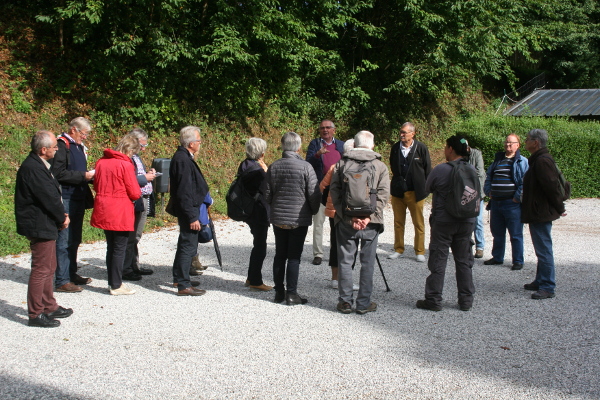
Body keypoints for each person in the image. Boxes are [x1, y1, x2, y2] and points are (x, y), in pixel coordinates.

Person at [15, 130, 74, 327]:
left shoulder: (39, 164)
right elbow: (47, 197)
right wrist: (62, 217)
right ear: (43, 150)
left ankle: (49, 305)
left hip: (45, 222)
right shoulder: (32, 168)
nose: (57, 150)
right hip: (39, 223)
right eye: (54, 147)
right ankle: (35, 313)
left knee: (50, 267)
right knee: (41, 269)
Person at [330, 131, 390, 314]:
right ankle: (363, 303)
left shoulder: (341, 164)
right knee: (367, 263)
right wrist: (368, 217)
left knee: (346, 262)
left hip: (346, 221)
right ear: (372, 145)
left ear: (355, 145)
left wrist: (349, 217)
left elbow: (335, 192)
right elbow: (383, 195)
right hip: (371, 223)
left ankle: (345, 302)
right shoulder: (380, 166)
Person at [416, 135, 477, 312]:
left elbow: (428, 188)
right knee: (464, 261)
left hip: (444, 221)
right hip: (466, 221)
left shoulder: (441, 169)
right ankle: (466, 300)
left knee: (439, 260)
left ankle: (434, 299)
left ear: (450, 149)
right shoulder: (472, 169)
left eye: (445, 146)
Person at [265, 131, 320, 305]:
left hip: (279, 217)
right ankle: (291, 294)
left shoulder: (274, 166)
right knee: (294, 257)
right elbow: (314, 194)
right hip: (298, 218)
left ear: (283, 146)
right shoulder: (306, 167)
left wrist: (275, 206)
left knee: (280, 254)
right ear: (298, 147)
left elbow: (266, 194)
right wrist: (313, 210)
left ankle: (279, 293)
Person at [91, 135, 141, 295]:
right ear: (130, 150)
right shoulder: (125, 165)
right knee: (120, 247)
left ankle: (113, 281)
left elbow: (96, 185)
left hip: (104, 207)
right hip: (120, 209)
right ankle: (116, 284)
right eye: (133, 153)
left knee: (111, 246)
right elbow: (134, 192)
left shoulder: (101, 162)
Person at [50, 117, 95, 292]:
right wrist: (83, 176)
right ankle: (61, 280)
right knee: (63, 239)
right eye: (84, 133)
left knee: (75, 238)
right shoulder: (62, 146)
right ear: (74, 129)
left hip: (78, 197)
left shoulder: (78, 146)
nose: (85, 137)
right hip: (66, 197)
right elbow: (58, 173)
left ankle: (71, 272)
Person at [521, 129, 565, 299]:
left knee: (544, 249)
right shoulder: (539, 160)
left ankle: (548, 286)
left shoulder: (541, 162)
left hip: (540, 212)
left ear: (536, 142)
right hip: (538, 211)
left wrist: (560, 208)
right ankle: (541, 280)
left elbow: (552, 187)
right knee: (541, 248)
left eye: (527, 139)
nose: (525, 142)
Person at [167, 126, 210, 296]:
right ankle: (183, 285)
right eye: (199, 140)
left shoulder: (183, 157)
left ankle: (180, 277)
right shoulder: (182, 159)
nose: (200, 143)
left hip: (188, 208)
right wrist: (193, 217)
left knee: (185, 244)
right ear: (191, 143)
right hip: (188, 210)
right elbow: (184, 191)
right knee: (188, 246)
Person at [483, 134, 529, 270]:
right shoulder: (498, 160)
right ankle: (497, 257)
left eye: (511, 143)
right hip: (496, 203)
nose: (508, 145)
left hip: (512, 203)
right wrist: (488, 191)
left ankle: (518, 261)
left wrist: (516, 197)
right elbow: (488, 176)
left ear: (517, 145)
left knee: (515, 234)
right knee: (497, 233)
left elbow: (524, 182)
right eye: (506, 143)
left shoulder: (522, 161)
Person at [388, 122, 431, 262]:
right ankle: (398, 249)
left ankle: (419, 251)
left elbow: (427, 169)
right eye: (401, 132)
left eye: (404, 132)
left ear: (413, 134)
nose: (401, 134)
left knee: (418, 223)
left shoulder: (421, 148)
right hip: (398, 192)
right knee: (398, 222)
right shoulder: (395, 148)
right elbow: (392, 165)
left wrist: (426, 187)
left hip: (416, 192)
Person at [305, 120, 344, 265]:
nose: (325, 130)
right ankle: (318, 254)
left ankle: (338, 251)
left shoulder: (341, 145)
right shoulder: (315, 144)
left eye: (328, 128)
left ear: (334, 130)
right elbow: (307, 163)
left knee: (337, 222)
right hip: (320, 189)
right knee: (318, 222)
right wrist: (317, 155)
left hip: (337, 190)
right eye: (322, 128)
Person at [319, 139, 357, 290]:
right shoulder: (359, 168)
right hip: (352, 212)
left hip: (334, 212)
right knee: (351, 244)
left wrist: (328, 202)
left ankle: (335, 279)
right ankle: (346, 279)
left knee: (335, 243)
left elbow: (322, 187)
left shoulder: (334, 167)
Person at [238, 138, 272, 291]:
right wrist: (266, 172)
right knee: (260, 246)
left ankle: (251, 277)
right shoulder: (258, 171)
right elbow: (269, 188)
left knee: (257, 243)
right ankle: (255, 281)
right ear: (262, 153)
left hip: (249, 209)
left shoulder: (244, 164)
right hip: (258, 211)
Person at [122, 129, 157, 281]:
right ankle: (126, 268)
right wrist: (145, 178)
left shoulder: (136, 157)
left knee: (136, 235)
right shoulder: (127, 158)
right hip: (134, 199)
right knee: (131, 236)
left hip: (142, 197)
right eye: (142, 145)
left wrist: (148, 174)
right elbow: (128, 179)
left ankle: (133, 265)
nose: (144, 148)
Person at [468, 147, 486, 258]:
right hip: (465, 194)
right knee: (466, 221)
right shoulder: (459, 155)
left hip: (478, 193)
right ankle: (466, 246)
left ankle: (480, 247)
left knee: (478, 221)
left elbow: (480, 173)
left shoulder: (476, 154)